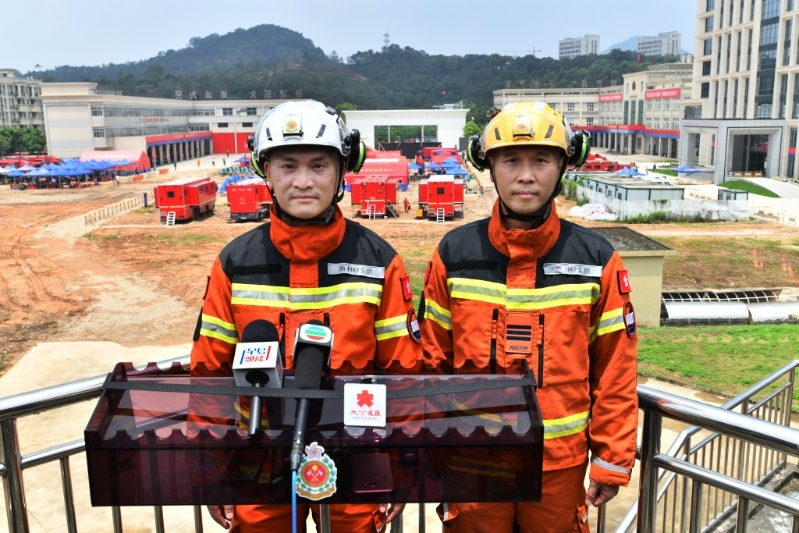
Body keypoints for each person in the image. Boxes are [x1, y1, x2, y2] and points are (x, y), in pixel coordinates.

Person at [190, 100, 422, 532]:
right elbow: (210, 373)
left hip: (357, 449)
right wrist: (209, 470)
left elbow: (402, 374)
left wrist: (402, 467)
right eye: (287, 166)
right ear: (266, 173)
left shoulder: (379, 262)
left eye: (318, 165)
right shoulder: (235, 263)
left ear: (341, 171)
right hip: (258, 453)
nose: (303, 181)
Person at [420, 101, 638, 533]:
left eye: (541, 159)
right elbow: (431, 361)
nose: (525, 175)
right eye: (511, 160)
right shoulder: (454, 254)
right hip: (472, 456)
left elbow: (615, 367)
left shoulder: (597, 260)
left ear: (563, 165)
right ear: (489, 166)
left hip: (559, 465)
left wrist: (611, 459)